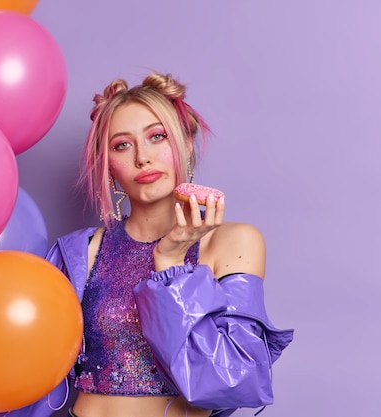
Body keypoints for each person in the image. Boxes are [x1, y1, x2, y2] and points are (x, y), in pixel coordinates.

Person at [35, 71, 293, 417]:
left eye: (157, 137)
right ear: (108, 165)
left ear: (185, 145)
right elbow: (32, 365)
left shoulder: (231, 242)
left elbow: (231, 380)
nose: (142, 157)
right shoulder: (82, 251)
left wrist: (170, 262)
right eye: (122, 145)